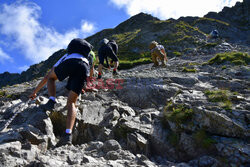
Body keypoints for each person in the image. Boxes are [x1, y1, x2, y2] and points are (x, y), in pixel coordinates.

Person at [29, 38, 93, 147]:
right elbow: (90, 73)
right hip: (84, 67)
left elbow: (48, 75)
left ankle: (51, 101)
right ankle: (68, 135)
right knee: (72, 103)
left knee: (51, 78)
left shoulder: (67, 55)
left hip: (70, 63)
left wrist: (35, 92)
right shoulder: (87, 58)